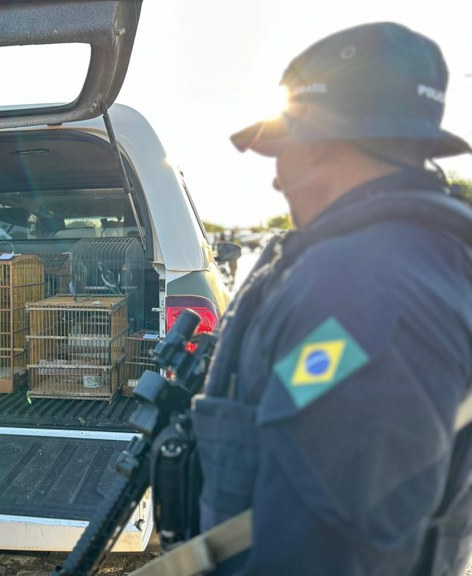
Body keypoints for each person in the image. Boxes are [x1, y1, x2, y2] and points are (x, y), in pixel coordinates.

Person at [192, 22, 472, 575]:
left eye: (280, 153)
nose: (276, 183)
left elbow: (326, 549)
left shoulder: (365, 290)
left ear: (317, 146)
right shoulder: (420, 258)